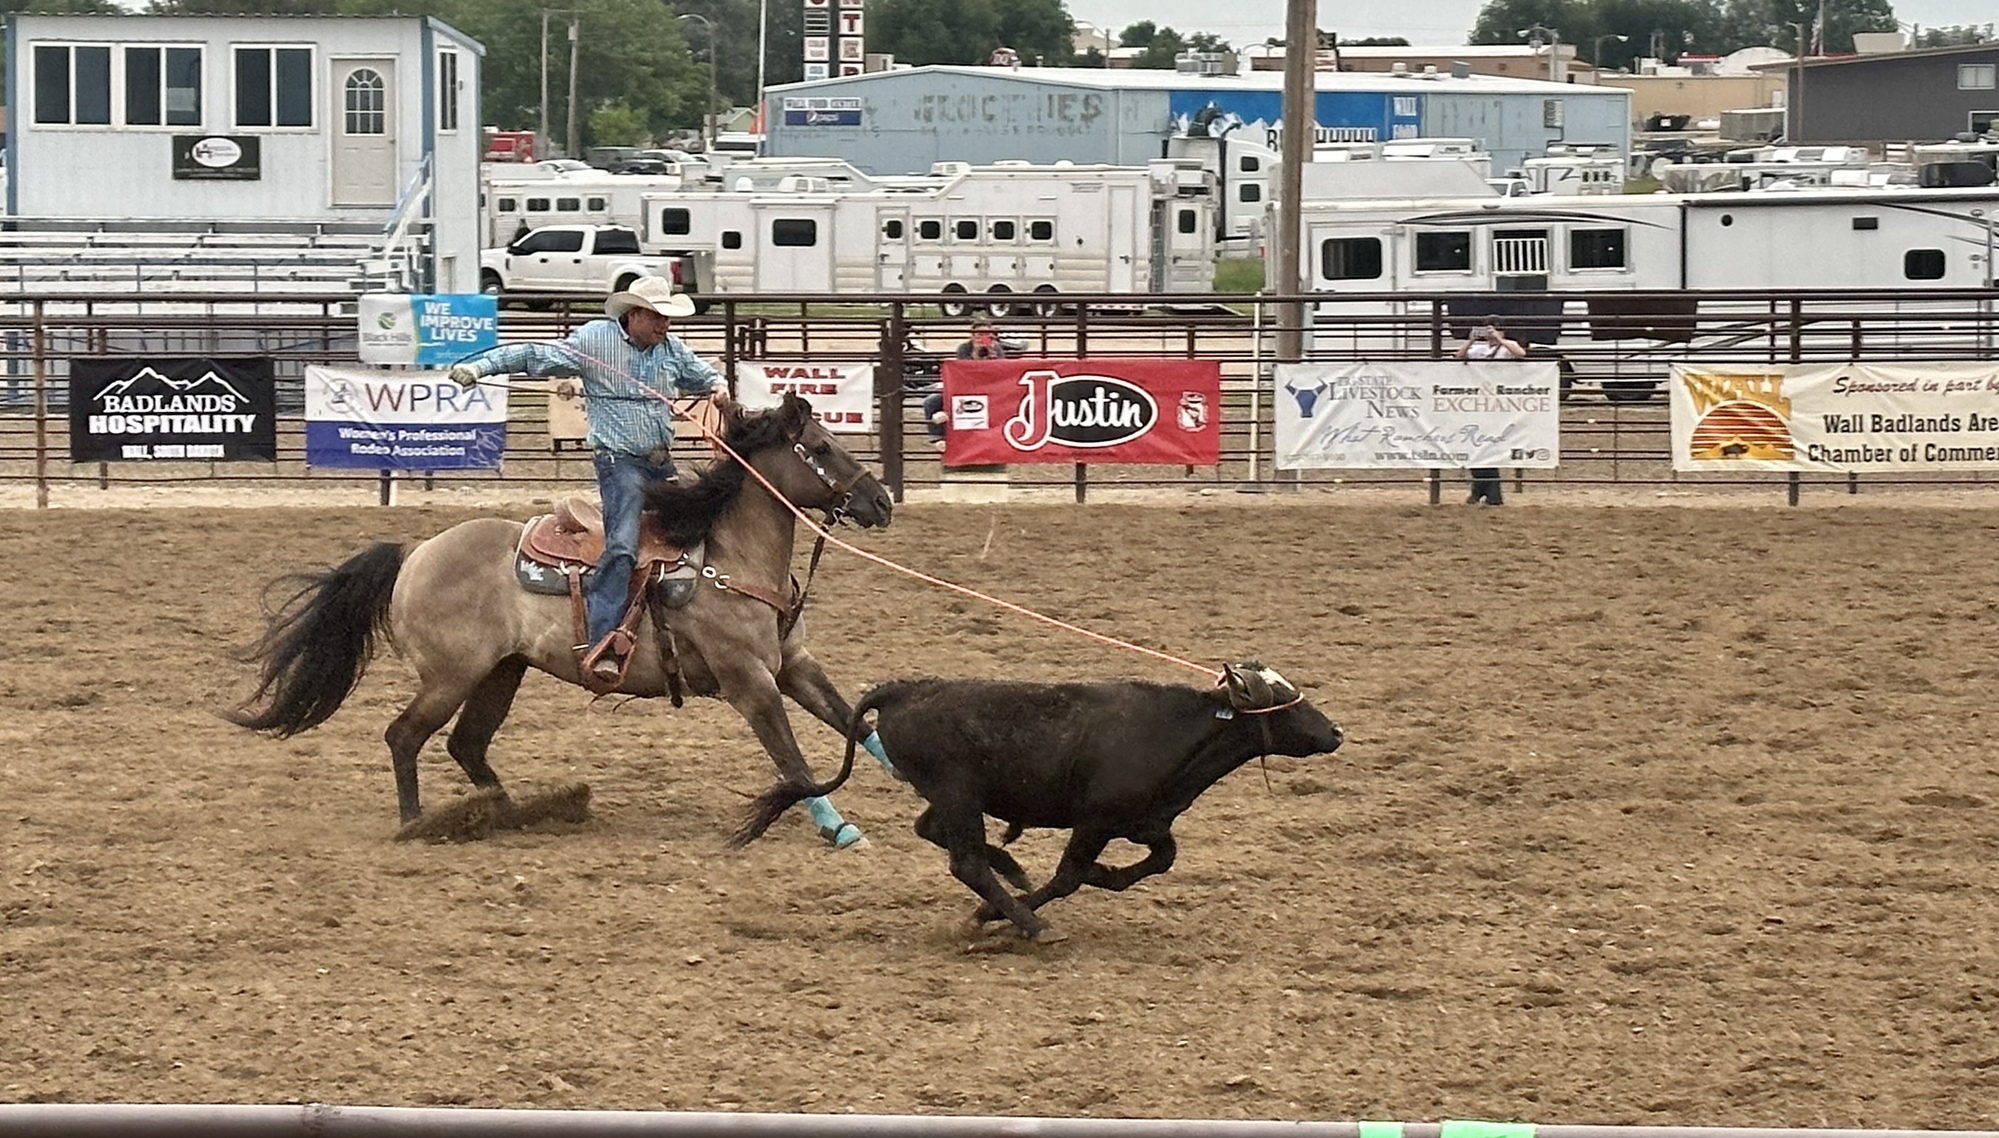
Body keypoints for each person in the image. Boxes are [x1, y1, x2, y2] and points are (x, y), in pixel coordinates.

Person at [449, 276, 729, 681]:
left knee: (702, 528)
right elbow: (535, 354)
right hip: (620, 464)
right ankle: (603, 640)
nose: (664, 324)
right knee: (622, 545)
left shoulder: (670, 350)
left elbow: (703, 375)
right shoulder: (596, 341)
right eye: (657, 317)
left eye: (667, 317)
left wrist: (718, 387)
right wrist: (479, 366)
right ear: (633, 315)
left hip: (659, 463)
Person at [1453, 322, 1527, 506]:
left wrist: (1500, 339)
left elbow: (1520, 354)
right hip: (1481, 399)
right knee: (1479, 446)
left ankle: (1486, 492)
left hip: (1498, 400)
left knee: (1485, 446)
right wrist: (1471, 340)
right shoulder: (1479, 349)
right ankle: (1485, 492)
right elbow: (1458, 356)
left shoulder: (1508, 346)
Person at [922, 317, 1008, 448]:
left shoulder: (997, 349)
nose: (983, 337)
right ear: (972, 336)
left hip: (989, 387)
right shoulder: (964, 348)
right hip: (966, 387)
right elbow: (963, 370)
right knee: (931, 401)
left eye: (986, 334)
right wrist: (975, 355)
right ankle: (938, 437)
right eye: (979, 334)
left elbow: (1001, 370)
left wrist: (992, 354)